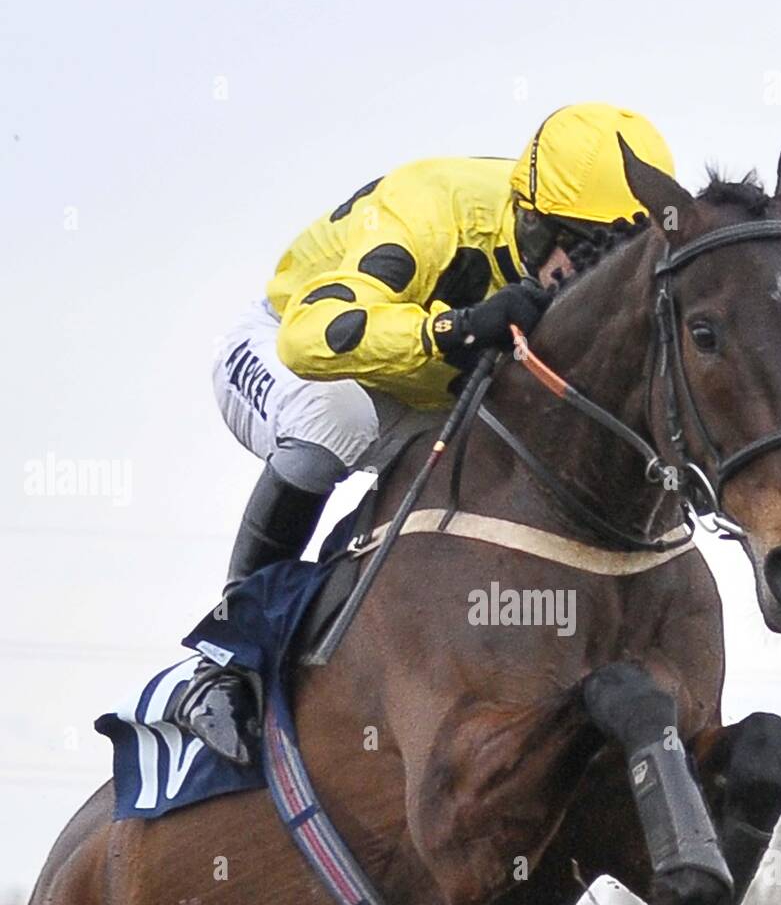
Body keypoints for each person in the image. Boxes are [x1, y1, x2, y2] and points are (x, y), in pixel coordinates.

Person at [172, 103, 675, 763]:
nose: (585, 275)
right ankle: (224, 657)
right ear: (531, 217)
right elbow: (310, 341)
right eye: (577, 248)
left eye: (615, 256)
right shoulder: (429, 210)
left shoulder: (561, 248)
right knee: (337, 420)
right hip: (284, 350)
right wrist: (457, 328)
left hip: (420, 385)